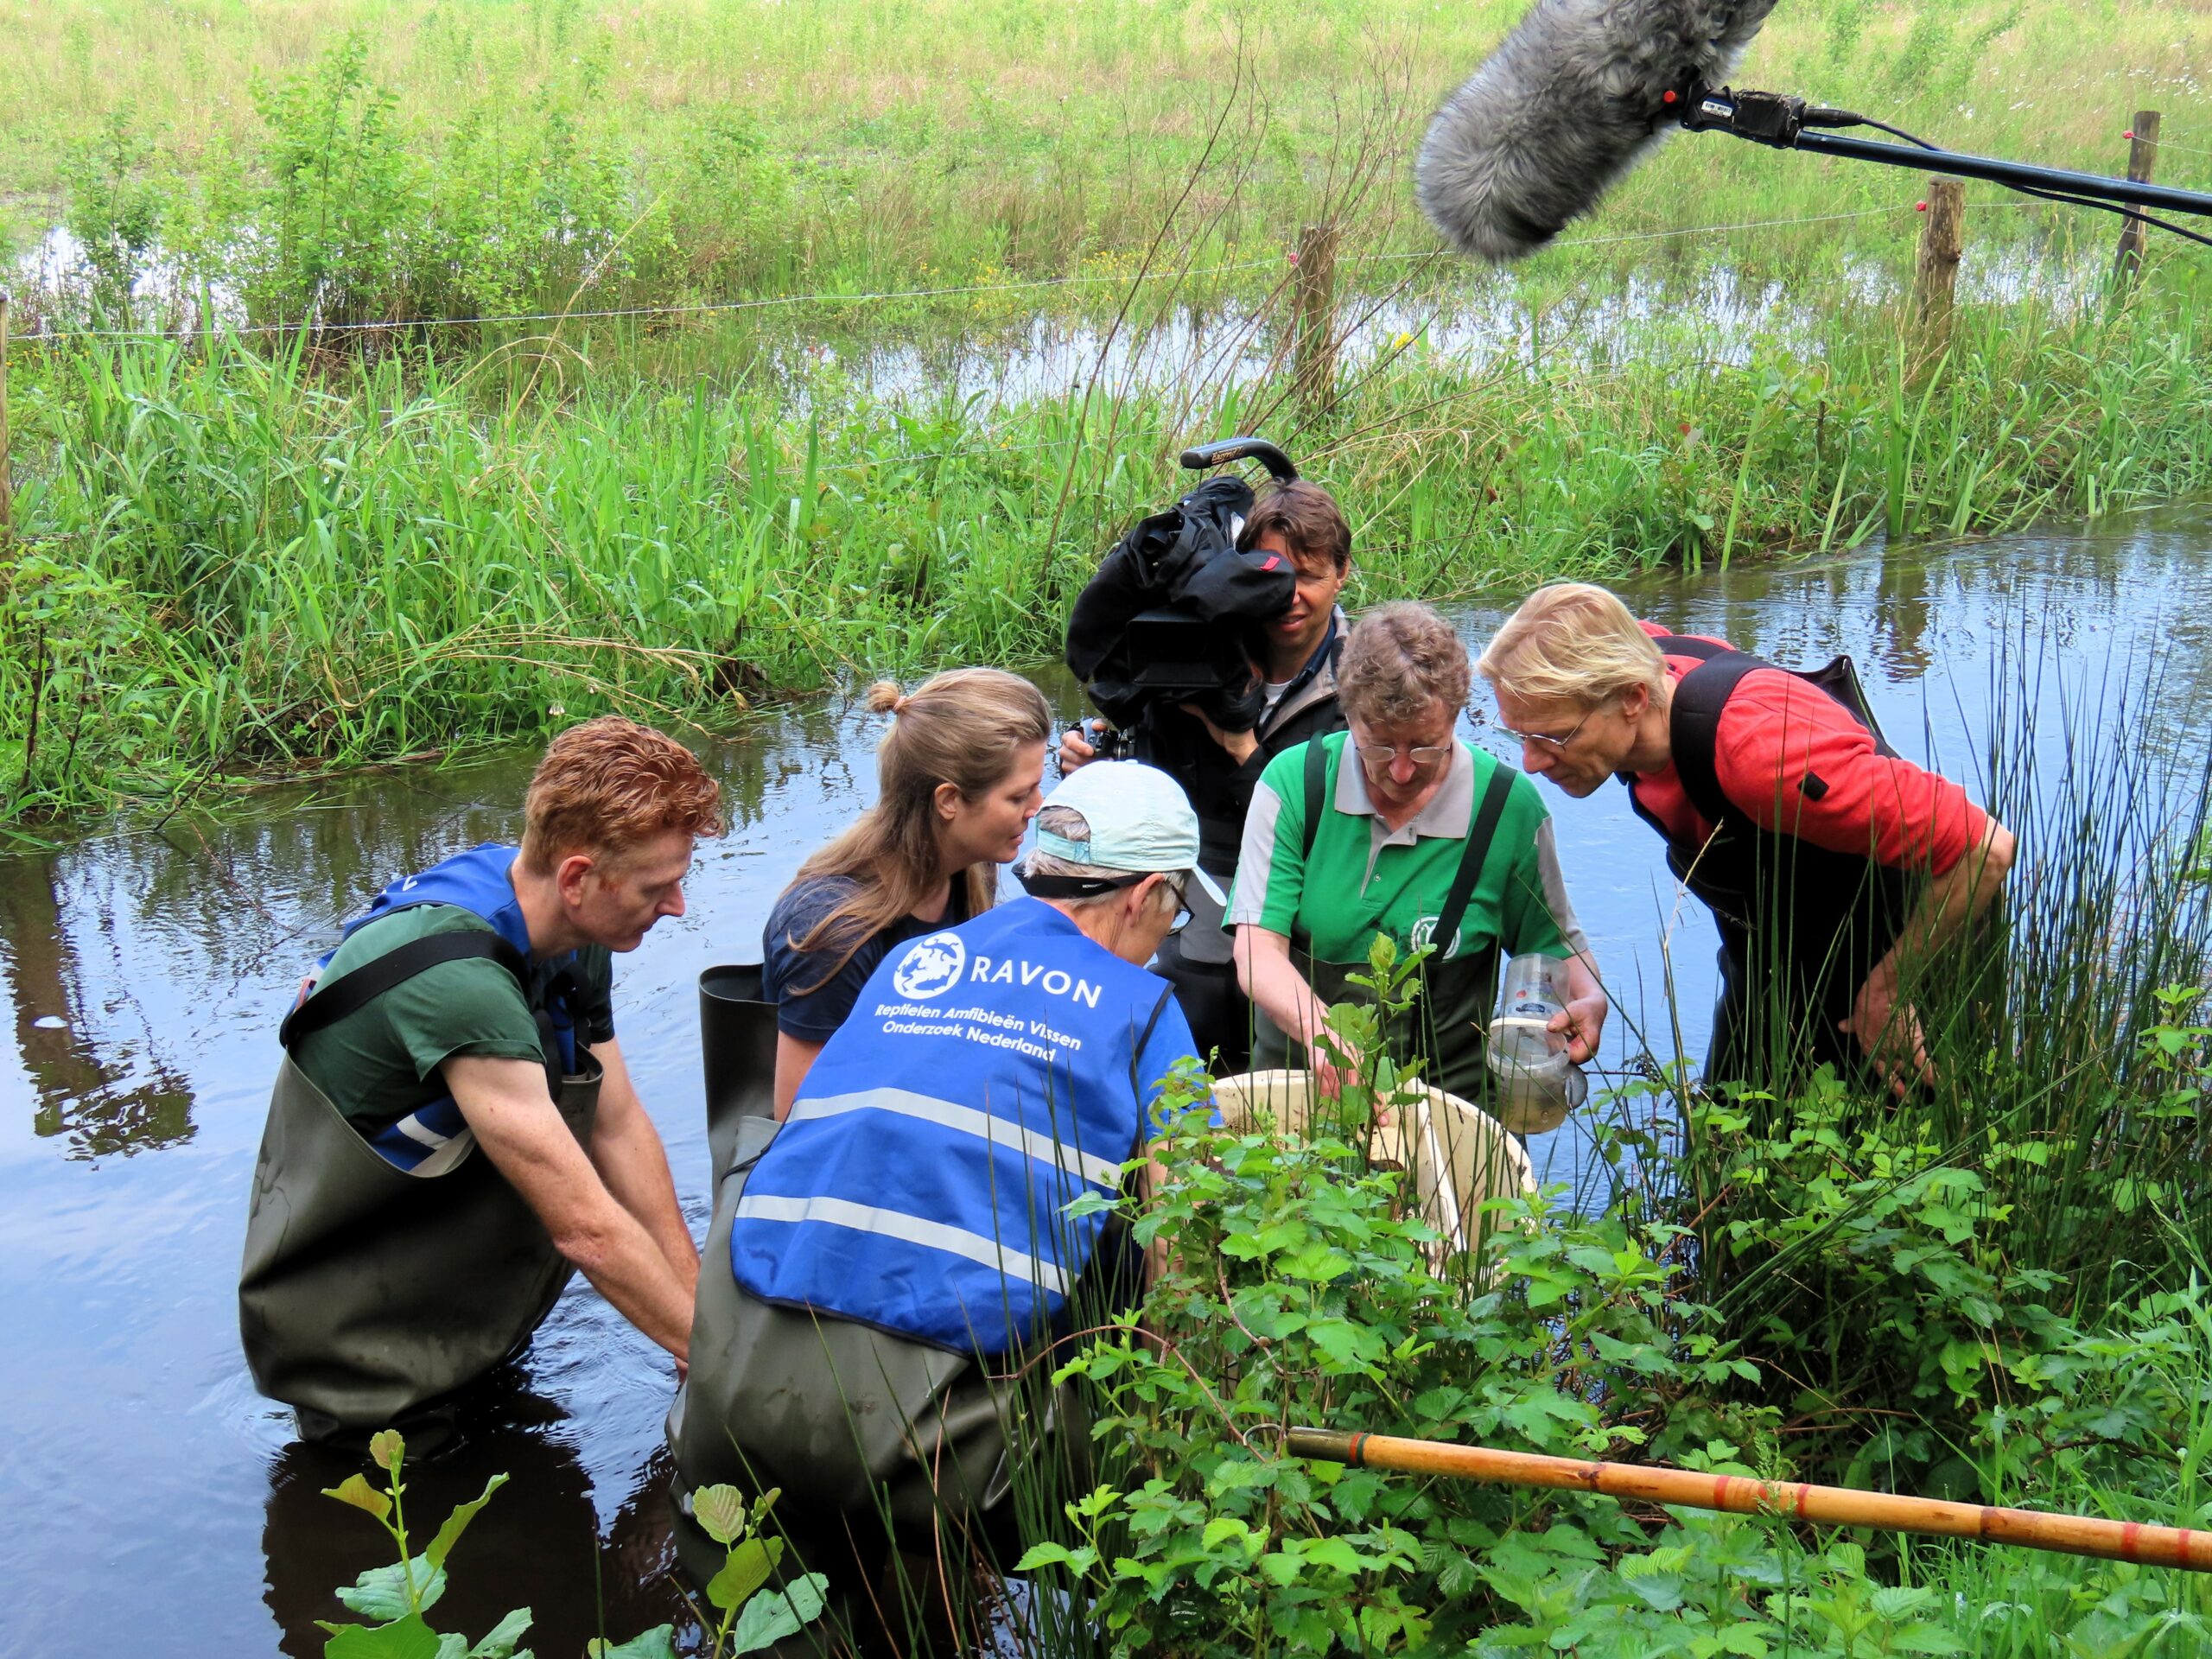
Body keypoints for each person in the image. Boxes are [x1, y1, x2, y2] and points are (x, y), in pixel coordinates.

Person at [671, 760, 1209, 1635]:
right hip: (919, 1439)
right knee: (1168, 1535)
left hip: (731, 1402)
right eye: (1177, 910)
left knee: (788, 1632)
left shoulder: (920, 957)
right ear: (1146, 893)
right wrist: (1175, 1416)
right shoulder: (1144, 1011)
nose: (1168, 932)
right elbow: (1188, 1247)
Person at [238, 715, 721, 1441]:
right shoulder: (458, 980)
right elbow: (586, 1229)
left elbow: (618, 1128)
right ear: (579, 876)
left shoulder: (569, 928)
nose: (678, 906)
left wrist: (698, 1312)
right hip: (362, 1369)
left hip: (459, 1319)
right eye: (660, 886)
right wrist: (725, 1368)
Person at [1475, 582, 2016, 1094]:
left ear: (1633, 697)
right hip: (1775, 966)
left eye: (1553, 738)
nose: (1533, 762)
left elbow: (1984, 847)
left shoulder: (1758, 756)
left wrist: (1889, 990)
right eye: (1520, 735)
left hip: (1897, 962)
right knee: (1724, 1165)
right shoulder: (1637, 660)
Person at [1230, 601, 1605, 1103]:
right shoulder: (1295, 783)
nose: (1402, 771)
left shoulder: (1507, 809)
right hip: (1303, 1095)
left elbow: (1556, 946)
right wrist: (1329, 1043)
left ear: (1454, 719)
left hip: (1449, 1114)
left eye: (1426, 747)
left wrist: (1590, 999)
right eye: (1379, 747)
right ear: (1348, 714)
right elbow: (1257, 953)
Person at [1061, 480, 1353, 1070]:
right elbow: (1141, 765)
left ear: (1342, 573)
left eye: (1311, 576)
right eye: (1274, 575)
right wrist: (1092, 761)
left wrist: (1244, 749)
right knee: (1186, 1066)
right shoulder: (1194, 646)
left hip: (1307, 925)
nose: (1290, 596)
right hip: (1192, 911)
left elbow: (1334, 833)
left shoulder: (1364, 683)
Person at [762, 670, 1052, 1116]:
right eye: (1018, 797)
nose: (1037, 807)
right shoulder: (831, 932)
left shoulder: (974, 870)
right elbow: (800, 1123)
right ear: (949, 801)